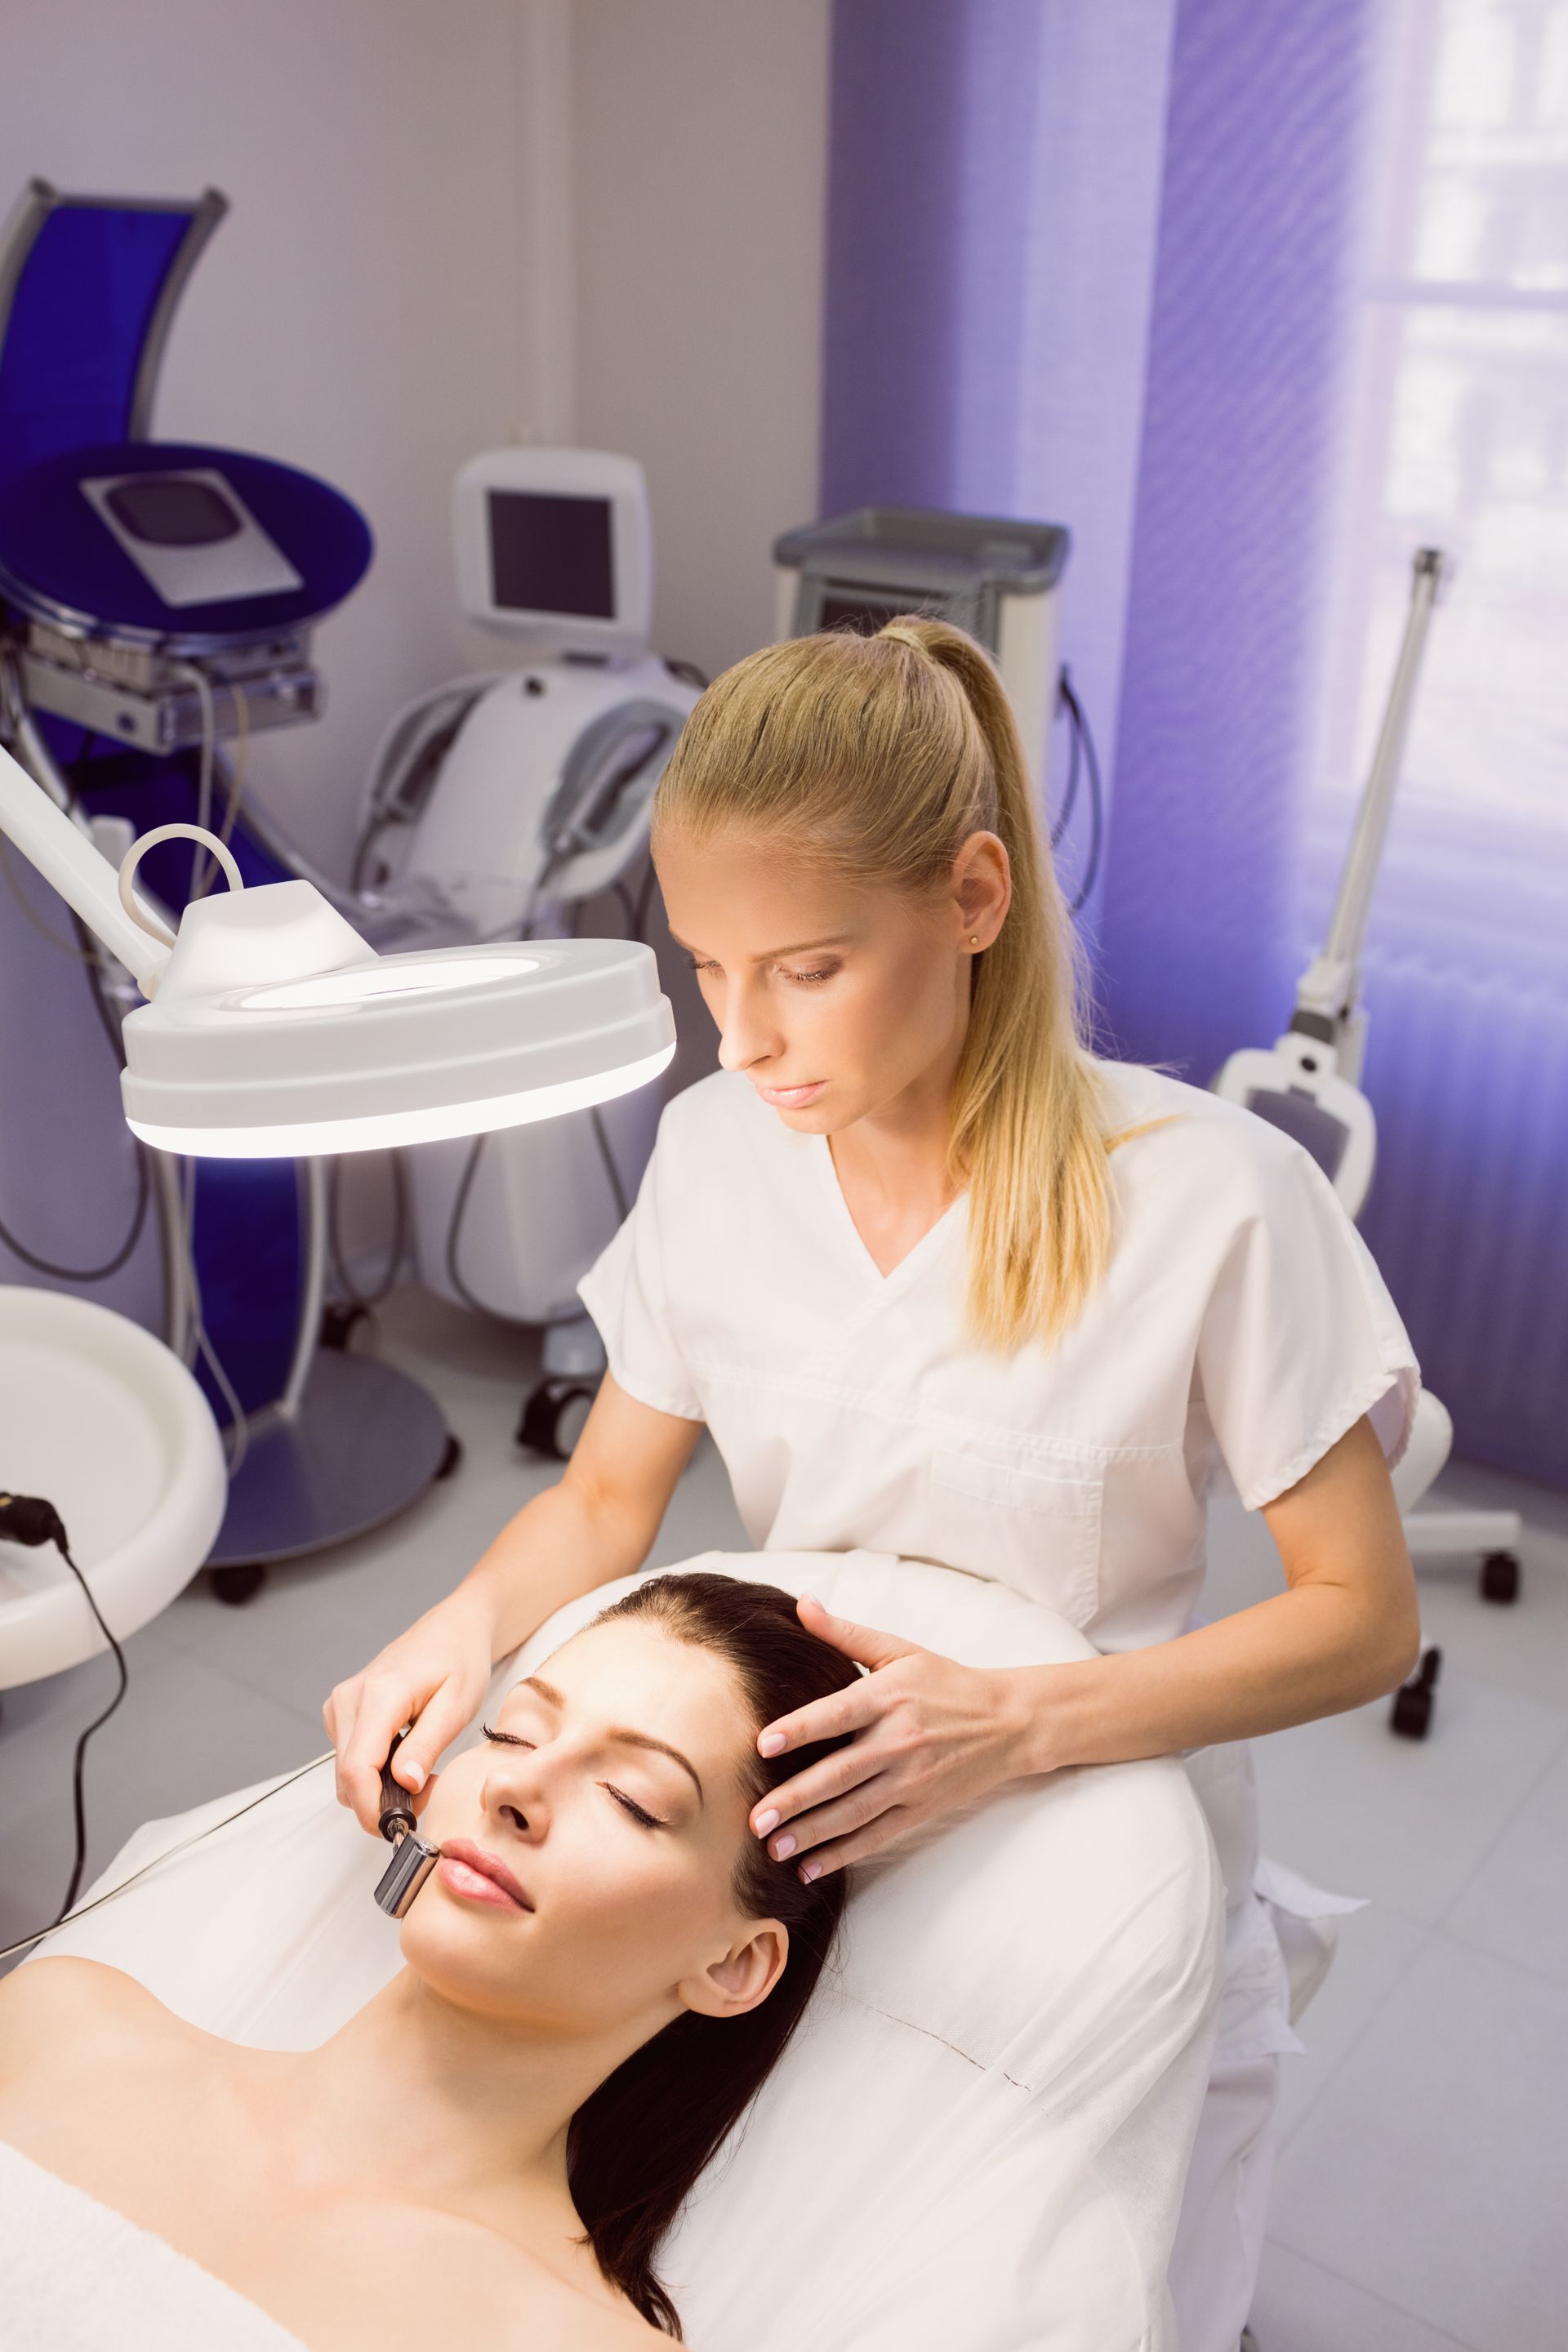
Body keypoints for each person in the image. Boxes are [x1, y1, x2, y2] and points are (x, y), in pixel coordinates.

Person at [325, 616, 1424, 2352]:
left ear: (973, 898)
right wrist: (457, 1632)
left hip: (1093, 1814)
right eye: (706, 968)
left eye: (808, 968)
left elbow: (1364, 1624)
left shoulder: (1211, 1199)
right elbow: (609, 1500)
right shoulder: (714, 1155)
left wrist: (1022, 1724)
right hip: (793, 1829)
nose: (745, 1037)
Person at [0, 1573, 860, 2350]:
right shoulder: (60, 2022)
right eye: (514, 1734)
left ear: (735, 1965)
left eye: (634, 1800)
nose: (512, 1790)